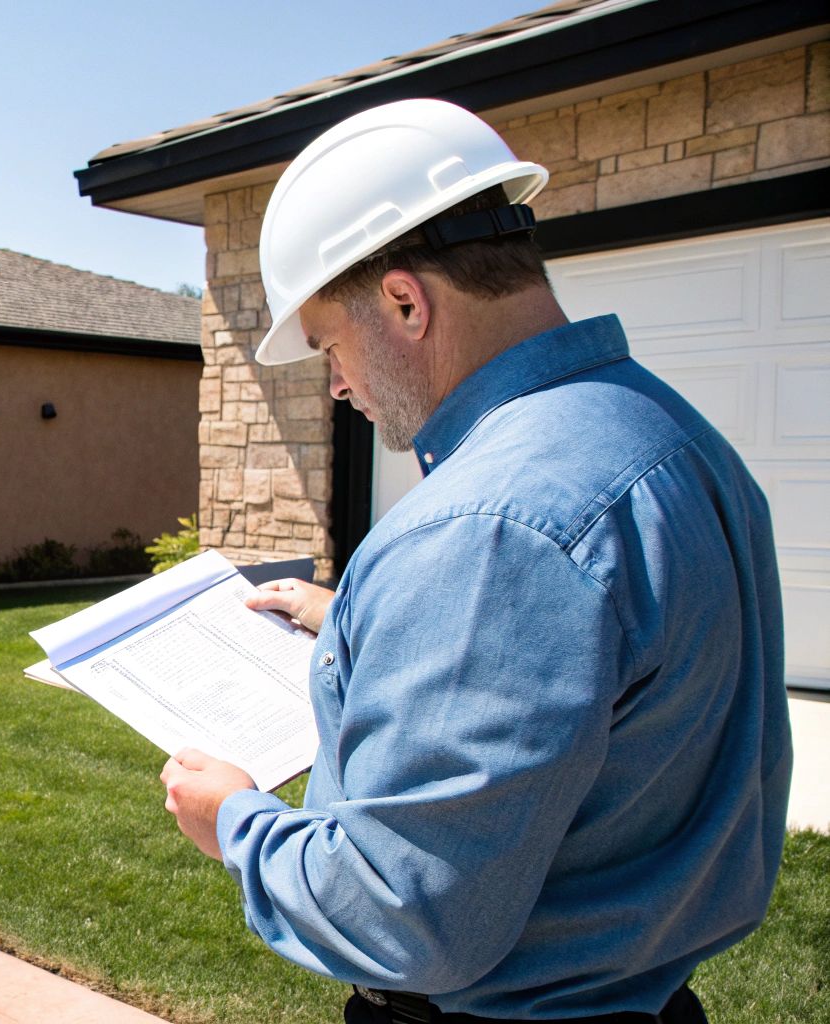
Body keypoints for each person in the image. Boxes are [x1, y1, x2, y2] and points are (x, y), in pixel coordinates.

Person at [158, 98, 791, 1023]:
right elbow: (608, 658)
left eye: (330, 344)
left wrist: (237, 824)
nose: (336, 383)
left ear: (406, 301)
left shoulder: (486, 531)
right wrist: (353, 617)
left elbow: (402, 916)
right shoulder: (674, 439)